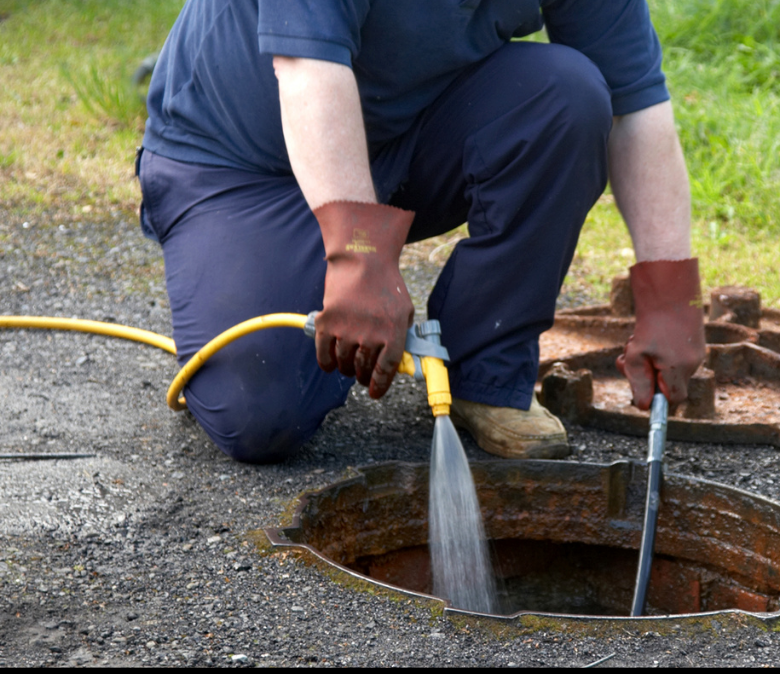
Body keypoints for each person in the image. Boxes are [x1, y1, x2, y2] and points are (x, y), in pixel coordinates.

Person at [136, 0, 706, 464]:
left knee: (568, 95)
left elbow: (636, 107)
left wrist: (670, 297)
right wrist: (360, 257)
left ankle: (486, 373)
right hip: (239, 166)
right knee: (261, 414)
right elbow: (308, 69)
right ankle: (291, 289)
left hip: (404, 135)